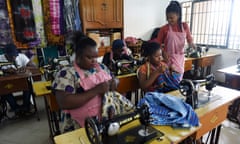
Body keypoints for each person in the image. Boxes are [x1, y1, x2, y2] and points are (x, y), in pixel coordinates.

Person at [52, 32, 119, 128]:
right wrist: (96, 90)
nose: (94, 61)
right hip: (77, 126)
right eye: (89, 57)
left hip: (102, 120)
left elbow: (114, 78)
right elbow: (64, 102)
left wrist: (115, 82)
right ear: (78, 56)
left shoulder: (101, 67)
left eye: (96, 57)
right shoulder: (66, 73)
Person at [155, 1, 196, 79]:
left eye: (171, 18)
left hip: (180, 59)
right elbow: (158, 45)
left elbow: (189, 40)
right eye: (167, 18)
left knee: (178, 80)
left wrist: (192, 45)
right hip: (168, 58)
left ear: (178, 16)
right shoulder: (164, 29)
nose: (169, 20)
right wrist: (163, 52)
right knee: (169, 81)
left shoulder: (184, 26)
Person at [0, 44, 36, 116]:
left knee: (28, 87)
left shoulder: (21, 56)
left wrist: (25, 68)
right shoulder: (0, 59)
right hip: (7, 83)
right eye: (11, 56)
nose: (14, 57)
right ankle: (15, 108)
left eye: (15, 55)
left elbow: (33, 66)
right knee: (4, 91)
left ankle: (26, 107)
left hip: (20, 81)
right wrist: (5, 71)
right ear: (6, 54)